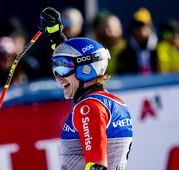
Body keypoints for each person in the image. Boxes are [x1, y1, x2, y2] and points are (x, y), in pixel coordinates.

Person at [39, 7, 133, 170]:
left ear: (86, 70)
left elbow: (97, 165)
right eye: (56, 68)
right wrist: (55, 34)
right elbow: (75, 58)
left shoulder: (88, 108)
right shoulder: (112, 102)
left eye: (62, 69)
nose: (58, 77)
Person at [117, 7, 158, 75]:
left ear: (150, 27)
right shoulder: (124, 51)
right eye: (136, 25)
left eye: (143, 25)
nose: (140, 29)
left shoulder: (159, 48)